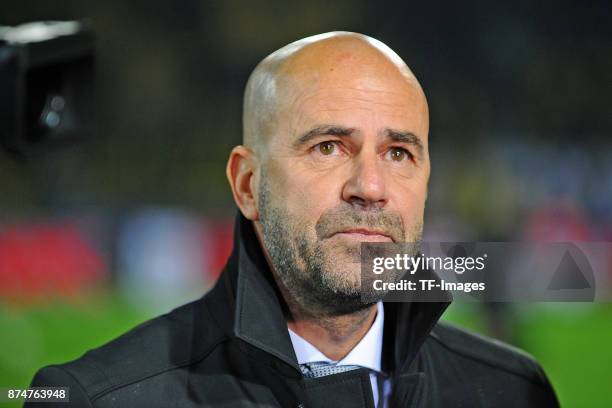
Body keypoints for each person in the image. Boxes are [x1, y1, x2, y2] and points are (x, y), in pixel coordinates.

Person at [27, 32, 559, 408]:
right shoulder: (93, 400)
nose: (370, 187)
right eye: (329, 147)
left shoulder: (514, 391)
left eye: (398, 153)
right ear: (248, 185)